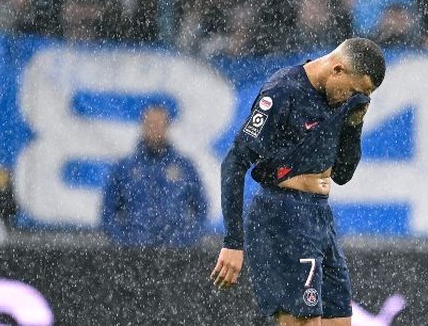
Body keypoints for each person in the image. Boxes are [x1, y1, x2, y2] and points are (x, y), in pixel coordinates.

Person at [211, 38, 386, 325]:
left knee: (340, 321)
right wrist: (232, 241)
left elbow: (342, 175)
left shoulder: (340, 99)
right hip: (283, 216)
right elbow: (235, 161)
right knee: (304, 322)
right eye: (356, 91)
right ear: (338, 69)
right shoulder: (283, 91)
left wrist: (354, 126)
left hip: (320, 216)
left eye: (364, 96)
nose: (355, 99)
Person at [101, 104, 208, 247]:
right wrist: (124, 241)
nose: (154, 129)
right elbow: (108, 211)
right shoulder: (125, 168)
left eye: (159, 124)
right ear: (143, 126)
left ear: (167, 127)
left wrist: (186, 240)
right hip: (135, 252)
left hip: (175, 253)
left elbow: (202, 207)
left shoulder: (184, 167)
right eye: (150, 124)